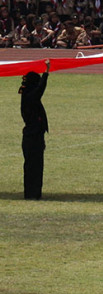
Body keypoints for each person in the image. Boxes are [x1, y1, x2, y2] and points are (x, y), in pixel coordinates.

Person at [20, 60, 51, 200]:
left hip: (31, 137)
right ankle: (32, 194)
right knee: (35, 167)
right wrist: (46, 72)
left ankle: (32, 193)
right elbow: (40, 89)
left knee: (33, 167)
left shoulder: (27, 97)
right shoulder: (31, 98)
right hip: (33, 138)